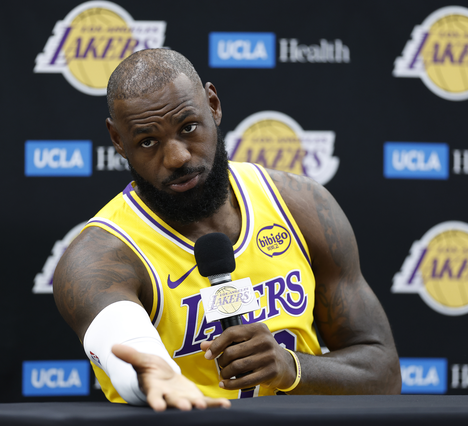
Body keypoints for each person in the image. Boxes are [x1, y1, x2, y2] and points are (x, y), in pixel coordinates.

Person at [52, 48, 401, 412]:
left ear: (213, 105)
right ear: (118, 140)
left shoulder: (300, 205)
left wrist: (291, 368)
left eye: (189, 128)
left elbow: (385, 374)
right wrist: (149, 375)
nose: (177, 157)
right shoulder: (100, 255)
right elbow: (125, 345)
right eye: (148, 142)